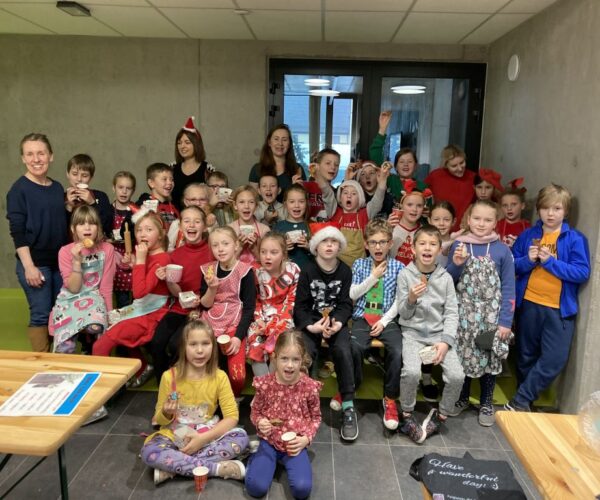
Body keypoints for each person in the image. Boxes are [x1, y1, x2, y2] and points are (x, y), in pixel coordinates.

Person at [506, 184, 590, 412]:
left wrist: (550, 263)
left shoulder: (574, 238)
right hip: (529, 305)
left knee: (554, 359)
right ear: (538, 210)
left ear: (566, 212)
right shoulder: (528, 235)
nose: (550, 214)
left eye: (557, 209)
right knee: (525, 357)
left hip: (559, 310)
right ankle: (524, 404)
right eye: (545, 208)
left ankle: (520, 399)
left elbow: (582, 272)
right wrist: (528, 260)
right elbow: (512, 265)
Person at [141, 319, 249, 486]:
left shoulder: (219, 377)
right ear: (184, 347)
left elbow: (232, 417)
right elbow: (159, 420)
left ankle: (174, 468)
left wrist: (202, 439)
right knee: (149, 452)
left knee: (241, 438)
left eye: (205, 343)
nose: (200, 351)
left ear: (213, 347)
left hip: (207, 433)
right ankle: (218, 469)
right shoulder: (169, 377)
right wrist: (166, 412)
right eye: (193, 344)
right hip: (177, 432)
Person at [446, 200, 516, 427]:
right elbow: (448, 280)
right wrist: (456, 264)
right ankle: (463, 397)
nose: (481, 224)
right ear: (468, 219)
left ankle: (486, 401)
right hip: (463, 315)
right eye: (477, 218)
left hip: (491, 317)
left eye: (488, 220)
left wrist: (506, 321)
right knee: (463, 357)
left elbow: (509, 287)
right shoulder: (459, 244)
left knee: (489, 359)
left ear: (496, 222)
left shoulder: (501, 250)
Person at [395, 225, 464, 443]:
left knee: (456, 376)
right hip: (412, 333)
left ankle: (441, 415)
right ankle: (406, 414)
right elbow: (403, 314)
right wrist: (411, 299)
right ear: (414, 249)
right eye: (422, 243)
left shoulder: (445, 278)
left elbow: (452, 312)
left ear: (438, 249)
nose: (427, 248)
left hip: (438, 335)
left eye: (433, 244)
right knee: (411, 373)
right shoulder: (405, 275)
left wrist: (445, 342)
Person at [293, 224, 358, 441]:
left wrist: (338, 323)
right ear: (315, 247)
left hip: (335, 321)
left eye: (334, 241)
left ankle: (348, 405)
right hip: (312, 321)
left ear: (339, 246)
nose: (329, 245)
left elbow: (346, 304)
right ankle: (302, 404)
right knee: (306, 352)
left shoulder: (345, 271)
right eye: (324, 241)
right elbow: (300, 307)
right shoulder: (308, 271)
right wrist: (312, 327)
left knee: (342, 349)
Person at [92, 212, 171, 387]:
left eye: (149, 229)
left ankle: (102, 389)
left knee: (101, 346)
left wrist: (140, 261)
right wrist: (136, 264)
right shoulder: (151, 255)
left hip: (152, 314)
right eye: (139, 230)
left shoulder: (162, 258)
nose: (142, 234)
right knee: (116, 327)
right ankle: (143, 366)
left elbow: (139, 292)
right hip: (143, 309)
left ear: (161, 234)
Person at [7, 133, 69, 352]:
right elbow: (18, 232)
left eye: (41, 153)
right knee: (41, 314)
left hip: (60, 264)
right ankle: (42, 367)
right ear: (23, 158)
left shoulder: (56, 187)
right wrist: (29, 266)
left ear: (51, 156)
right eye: (30, 154)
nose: (36, 159)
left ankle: (60, 361)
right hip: (35, 264)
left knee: (61, 313)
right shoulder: (18, 190)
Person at [245, 330, 322, 499]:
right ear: (275, 358)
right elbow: (255, 412)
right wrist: (260, 422)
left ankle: (281, 462)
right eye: (284, 358)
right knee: (255, 488)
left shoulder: (309, 388)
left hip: (294, 444)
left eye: (295, 359)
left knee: (302, 491)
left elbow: (316, 418)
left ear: (302, 360)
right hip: (269, 441)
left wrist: (306, 439)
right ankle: (255, 458)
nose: (290, 365)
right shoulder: (265, 384)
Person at [350, 219, 404, 431]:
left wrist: (383, 321)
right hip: (363, 316)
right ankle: (352, 385)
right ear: (366, 244)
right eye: (373, 242)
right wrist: (373, 277)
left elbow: (400, 300)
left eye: (383, 242)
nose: (378, 247)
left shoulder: (399, 267)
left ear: (390, 244)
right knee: (354, 346)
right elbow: (353, 294)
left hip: (387, 318)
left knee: (398, 351)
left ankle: (390, 398)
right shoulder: (360, 265)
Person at [150, 206, 213, 383]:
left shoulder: (212, 252)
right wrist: (169, 280)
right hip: (180, 307)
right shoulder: (175, 255)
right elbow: (176, 292)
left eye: (197, 221)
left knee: (176, 345)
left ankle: (181, 386)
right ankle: (164, 386)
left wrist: (200, 300)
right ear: (180, 226)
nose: (191, 225)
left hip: (202, 309)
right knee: (157, 343)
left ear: (205, 227)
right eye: (186, 221)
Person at [49, 205, 115, 354]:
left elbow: (106, 286)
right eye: (81, 223)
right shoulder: (65, 252)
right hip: (70, 298)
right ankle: (65, 366)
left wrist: (110, 314)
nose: (87, 227)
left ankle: (98, 362)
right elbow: (73, 288)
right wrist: (76, 262)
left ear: (98, 228)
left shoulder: (107, 249)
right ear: (73, 229)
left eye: (92, 223)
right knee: (65, 344)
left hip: (93, 295)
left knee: (98, 327)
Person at [200, 227, 256, 397]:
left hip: (234, 323)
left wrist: (238, 337)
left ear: (236, 245)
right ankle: (209, 398)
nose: (221, 249)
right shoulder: (207, 270)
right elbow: (205, 304)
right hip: (210, 321)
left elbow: (249, 308)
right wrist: (212, 288)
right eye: (215, 245)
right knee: (204, 368)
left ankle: (233, 399)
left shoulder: (245, 270)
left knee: (237, 376)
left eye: (225, 243)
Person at [247, 233, 300, 376]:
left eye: (273, 252)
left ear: (283, 254)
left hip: (284, 316)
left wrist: (279, 323)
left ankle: (274, 386)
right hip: (261, 315)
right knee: (255, 344)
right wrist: (258, 319)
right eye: (263, 252)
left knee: (280, 346)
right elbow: (254, 300)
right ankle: (263, 388)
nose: (267, 256)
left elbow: (292, 300)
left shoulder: (293, 270)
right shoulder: (254, 271)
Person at [332, 164, 389, 266]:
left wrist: (383, 179)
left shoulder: (365, 214)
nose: (349, 195)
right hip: (337, 266)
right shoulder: (335, 212)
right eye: (345, 193)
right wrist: (346, 180)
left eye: (354, 194)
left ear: (361, 199)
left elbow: (378, 198)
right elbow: (327, 193)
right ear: (340, 198)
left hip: (359, 268)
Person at [368, 111, 429, 201]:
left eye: (410, 161)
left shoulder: (422, 187)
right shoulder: (390, 181)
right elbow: (375, 156)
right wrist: (382, 130)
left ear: (416, 165)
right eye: (401, 162)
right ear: (396, 166)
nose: (405, 164)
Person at [425, 145, 475, 232]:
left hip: (464, 230)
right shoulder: (435, 176)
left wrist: (470, 210)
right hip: (439, 230)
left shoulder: (473, 177)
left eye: (462, 163)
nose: (459, 168)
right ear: (446, 165)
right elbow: (423, 195)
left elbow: (483, 200)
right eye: (454, 166)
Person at [249, 123, 305, 200]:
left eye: (284, 140)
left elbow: (303, 200)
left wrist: (295, 188)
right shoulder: (257, 169)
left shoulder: (297, 169)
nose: (280, 143)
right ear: (269, 142)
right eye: (276, 139)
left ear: (289, 144)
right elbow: (252, 201)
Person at [64, 153, 113, 237]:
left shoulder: (101, 196)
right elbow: (58, 229)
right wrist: (68, 207)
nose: (79, 179)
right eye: (75, 174)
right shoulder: (60, 197)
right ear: (68, 174)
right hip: (68, 248)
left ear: (91, 177)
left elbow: (107, 227)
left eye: (85, 175)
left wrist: (92, 203)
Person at [171, 116, 214, 211]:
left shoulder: (207, 170)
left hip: (200, 220)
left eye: (187, 142)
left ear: (196, 144)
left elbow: (213, 198)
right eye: (179, 143)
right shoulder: (172, 169)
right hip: (175, 220)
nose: (182, 146)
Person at [111, 171, 136, 308]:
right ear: (114, 188)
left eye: (128, 188)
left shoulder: (136, 212)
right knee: (118, 304)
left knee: (133, 303)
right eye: (120, 187)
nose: (124, 191)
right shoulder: (107, 211)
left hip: (132, 261)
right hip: (114, 264)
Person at [389, 181, 429, 266]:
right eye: (409, 205)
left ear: (423, 209)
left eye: (419, 206)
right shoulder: (391, 227)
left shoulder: (424, 232)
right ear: (401, 205)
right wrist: (385, 231)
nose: (414, 209)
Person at [228, 185, 270, 264]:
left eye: (251, 202)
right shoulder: (229, 229)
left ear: (256, 206)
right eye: (241, 202)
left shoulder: (264, 230)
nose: (246, 206)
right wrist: (240, 247)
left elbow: (267, 263)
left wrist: (254, 248)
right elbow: (227, 263)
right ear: (235, 205)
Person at [167, 183, 215, 251]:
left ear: (207, 201)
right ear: (186, 202)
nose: (198, 203)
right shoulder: (177, 223)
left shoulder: (212, 221)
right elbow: (169, 247)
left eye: (202, 199)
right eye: (193, 199)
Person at [273, 184, 312, 268]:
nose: (296, 205)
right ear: (285, 204)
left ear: (306, 203)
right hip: (285, 274)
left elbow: (320, 254)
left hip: (307, 274)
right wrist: (283, 249)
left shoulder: (312, 226)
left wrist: (309, 247)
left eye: (301, 201)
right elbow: (271, 253)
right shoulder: (278, 227)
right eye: (292, 202)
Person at [135, 163, 179, 229]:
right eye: (164, 179)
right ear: (151, 183)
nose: (169, 182)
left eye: (171, 179)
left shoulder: (174, 206)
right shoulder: (142, 205)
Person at [496, 178, 530, 248]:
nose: (509, 208)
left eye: (513, 204)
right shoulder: (496, 225)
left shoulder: (527, 227)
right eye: (505, 205)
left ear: (522, 206)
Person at [429, 201, 457, 267]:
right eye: (436, 219)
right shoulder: (424, 243)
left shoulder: (456, 244)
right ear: (429, 221)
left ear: (453, 221)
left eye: (446, 220)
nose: (441, 223)